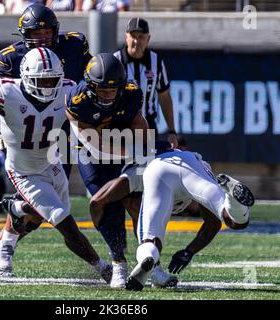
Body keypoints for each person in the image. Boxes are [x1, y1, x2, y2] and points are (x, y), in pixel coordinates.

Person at [0, 47, 112, 282]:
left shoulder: (68, 89)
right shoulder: (8, 90)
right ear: (27, 77)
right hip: (23, 171)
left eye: (53, 79)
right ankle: (102, 268)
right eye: (43, 80)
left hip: (52, 163)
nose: (49, 86)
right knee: (65, 223)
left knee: (40, 218)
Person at [0, 3, 92, 275]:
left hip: (60, 131)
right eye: (35, 33)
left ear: (56, 31)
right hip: (27, 136)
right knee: (46, 207)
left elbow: (92, 74)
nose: (42, 38)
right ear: (24, 35)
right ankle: (2, 247)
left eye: (47, 32)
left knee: (40, 211)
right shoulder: (12, 58)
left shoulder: (73, 46)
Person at [65, 53, 149, 288]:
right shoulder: (76, 99)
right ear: (91, 86)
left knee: (136, 203)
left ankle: (150, 261)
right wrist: (127, 152)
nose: (107, 95)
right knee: (106, 203)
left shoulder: (132, 93)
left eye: (112, 90)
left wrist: (142, 152)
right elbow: (93, 142)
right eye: (102, 90)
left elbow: (140, 127)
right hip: (89, 149)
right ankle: (119, 263)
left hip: (122, 144)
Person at [125, 148, 255, 291]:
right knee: (236, 222)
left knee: (149, 240)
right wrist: (189, 251)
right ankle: (231, 197)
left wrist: (189, 251)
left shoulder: (135, 174)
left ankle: (147, 257)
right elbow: (213, 222)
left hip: (158, 167)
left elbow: (115, 189)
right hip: (189, 165)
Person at [114, 18, 178, 148]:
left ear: (148, 39)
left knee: (148, 167)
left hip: (148, 126)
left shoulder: (156, 61)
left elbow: (164, 97)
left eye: (141, 37)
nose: (136, 41)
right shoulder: (115, 61)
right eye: (133, 36)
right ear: (126, 37)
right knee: (119, 166)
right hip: (120, 126)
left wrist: (172, 131)